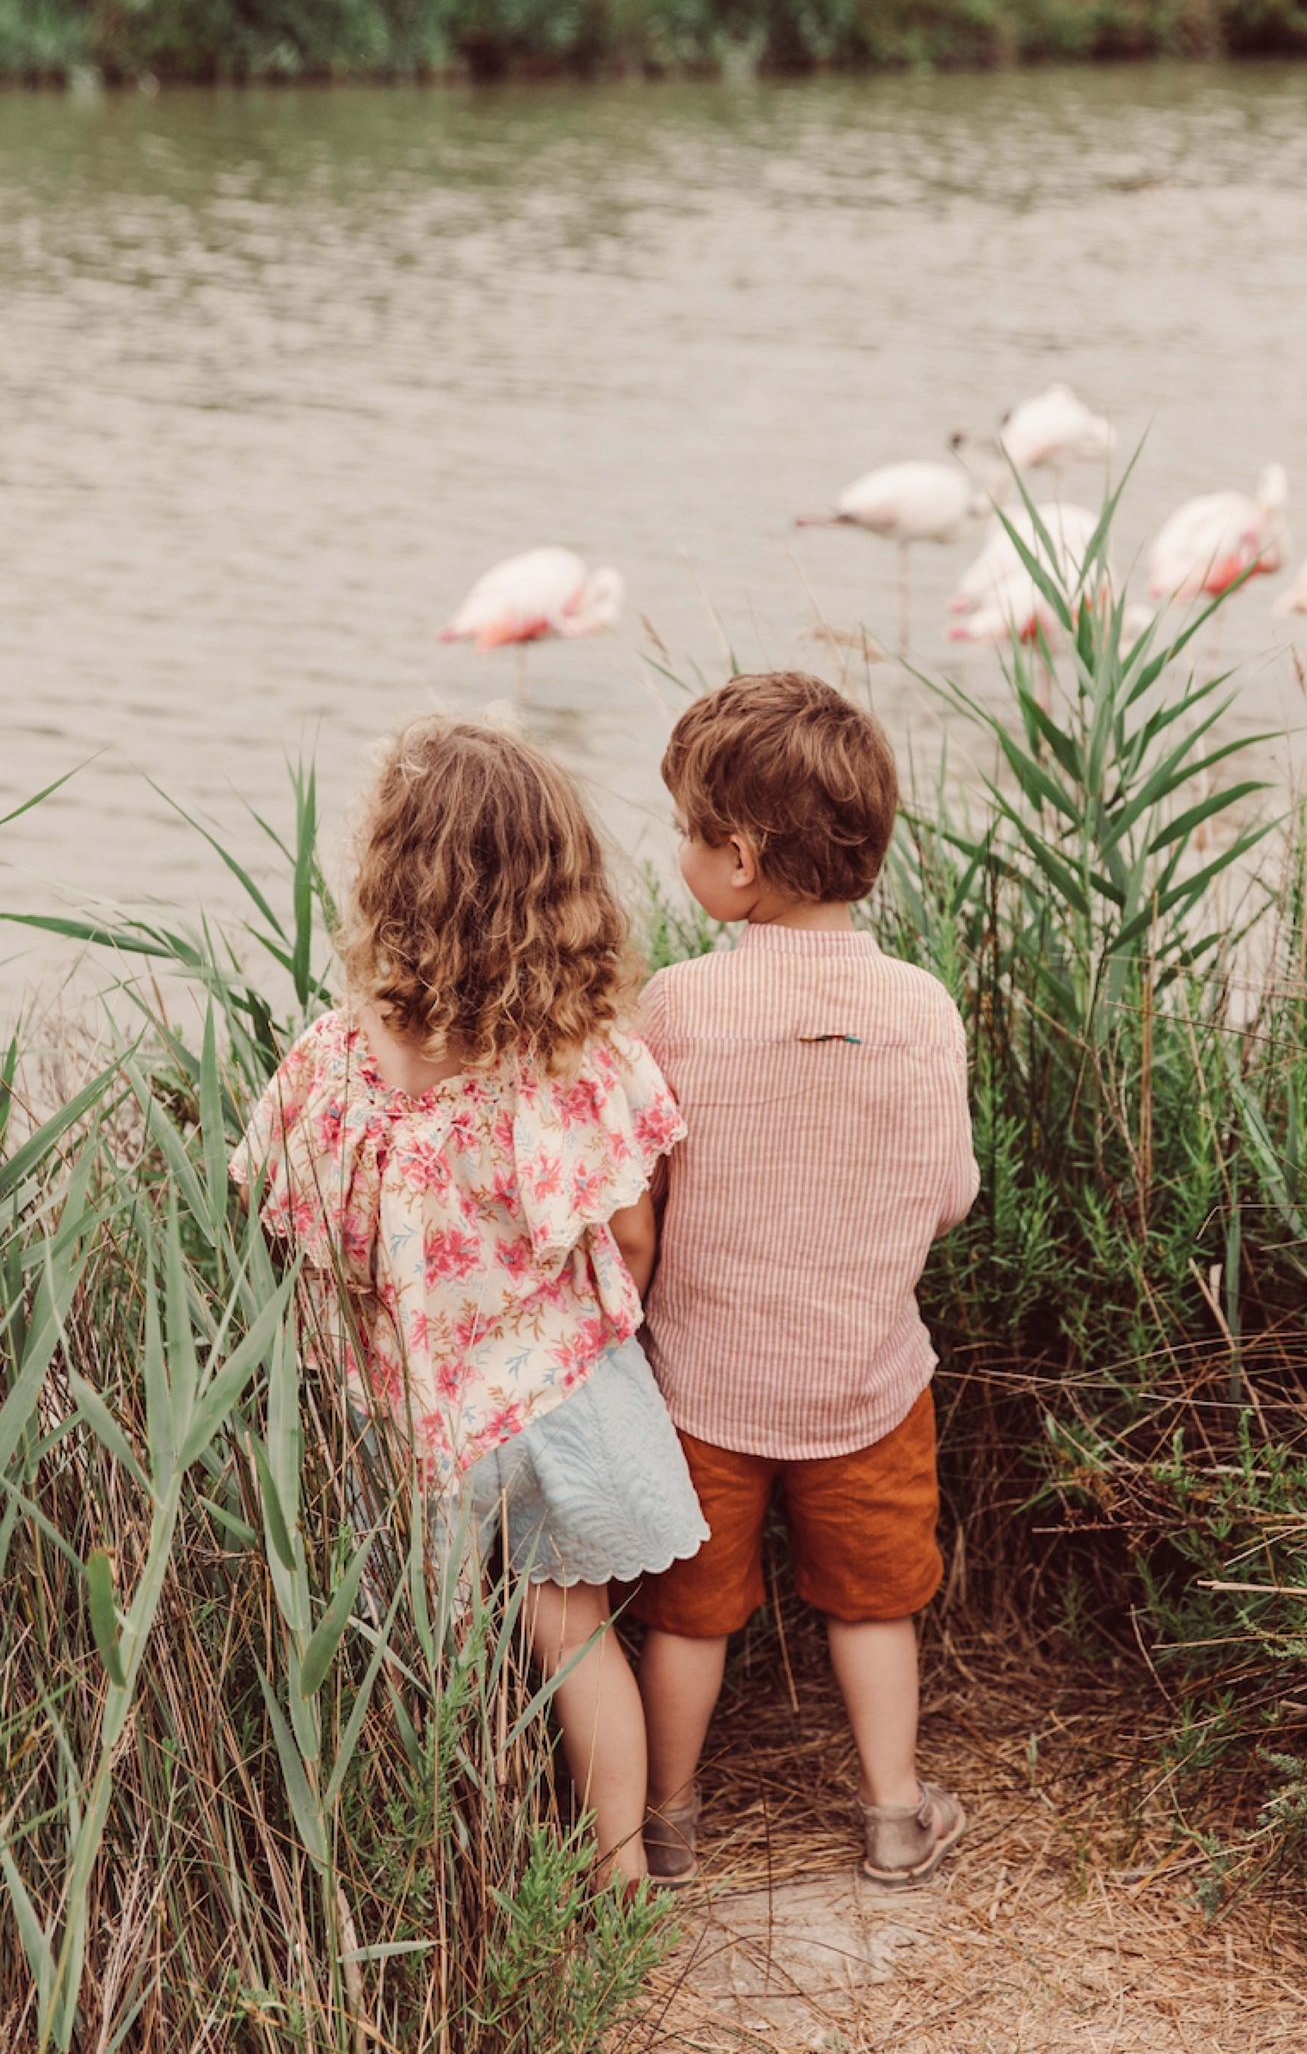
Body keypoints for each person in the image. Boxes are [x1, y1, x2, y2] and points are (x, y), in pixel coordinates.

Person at [229, 713, 708, 1887]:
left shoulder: (330, 1062)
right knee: (571, 1629)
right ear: (562, 890)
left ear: (388, 876)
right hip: (550, 1390)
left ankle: (477, 1867)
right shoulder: (580, 1059)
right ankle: (618, 1872)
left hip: (402, 1413)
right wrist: (605, 1322)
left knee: (437, 1650)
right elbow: (632, 1222)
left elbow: (268, 1213)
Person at [631, 671, 979, 1889]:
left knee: (688, 1614)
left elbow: (645, 1192)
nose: (678, 848)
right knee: (873, 1601)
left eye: (684, 828)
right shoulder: (921, 1009)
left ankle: (666, 1818)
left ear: (734, 860)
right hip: (866, 1381)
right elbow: (949, 1192)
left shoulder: (676, 1006)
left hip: (698, 1389)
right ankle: (892, 1814)